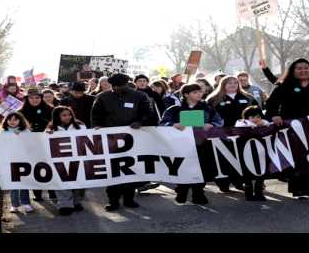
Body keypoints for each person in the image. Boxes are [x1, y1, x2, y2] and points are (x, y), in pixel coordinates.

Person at [265, 58, 309, 197]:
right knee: (296, 156)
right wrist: (274, 115)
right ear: (293, 71)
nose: (303, 71)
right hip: (292, 126)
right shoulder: (283, 85)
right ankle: (296, 188)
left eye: (306, 68)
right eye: (299, 68)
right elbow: (270, 104)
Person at [91, 73, 152, 211]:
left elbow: (148, 113)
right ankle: (113, 201)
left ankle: (129, 199)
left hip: (133, 139)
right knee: (113, 171)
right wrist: (97, 126)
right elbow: (95, 116)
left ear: (127, 84)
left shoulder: (139, 96)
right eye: (115, 86)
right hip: (111, 141)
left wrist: (140, 122)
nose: (118, 88)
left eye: (121, 86)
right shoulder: (102, 97)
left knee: (131, 170)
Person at [160, 83, 223, 204]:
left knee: (201, 168)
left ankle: (198, 193)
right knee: (182, 167)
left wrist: (211, 125)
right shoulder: (174, 109)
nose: (199, 94)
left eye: (200, 92)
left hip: (202, 144)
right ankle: (182, 191)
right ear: (186, 94)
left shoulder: (207, 108)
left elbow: (219, 121)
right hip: (181, 146)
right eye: (195, 92)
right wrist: (173, 124)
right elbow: (163, 123)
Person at [206, 76, 258, 192]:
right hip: (222, 135)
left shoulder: (248, 98)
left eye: (235, 83)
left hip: (244, 134)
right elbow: (206, 115)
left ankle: (240, 181)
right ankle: (223, 183)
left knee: (242, 157)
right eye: (229, 83)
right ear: (223, 85)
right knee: (223, 159)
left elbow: (257, 113)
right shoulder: (213, 99)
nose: (233, 85)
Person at [46, 106, 86, 215]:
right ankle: (65, 204)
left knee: (78, 181)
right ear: (57, 117)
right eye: (64, 115)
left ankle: (76, 202)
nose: (67, 117)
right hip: (61, 160)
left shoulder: (80, 126)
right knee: (62, 181)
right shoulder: (51, 129)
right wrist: (48, 135)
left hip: (77, 158)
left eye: (69, 114)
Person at [19, 88, 55, 202]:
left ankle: (52, 191)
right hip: (29, 144)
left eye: (37, 97)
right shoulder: (20, 112)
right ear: (27, 99)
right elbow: (14, 126)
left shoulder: (50, 109)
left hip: (48, 142)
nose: (34, 100)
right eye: (31, 98)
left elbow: (56, 123)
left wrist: (50, 128)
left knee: (50, 166)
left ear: (41, 98)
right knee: (35, 167)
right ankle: (37, 193)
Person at [1, 112, 34, 214]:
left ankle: (26, 203)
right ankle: (14, 205)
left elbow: (32, 144)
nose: (12, 122)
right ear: (6, 121)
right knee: (13, 184)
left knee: (24, 183)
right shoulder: (3, 132)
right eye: (10, 120)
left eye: (15, 119)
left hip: (23, 161)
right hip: (10, 162)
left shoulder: (26, 131)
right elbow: (0, 146)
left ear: (20, 121)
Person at [235, 106, 271, 201]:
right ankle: (248, 191)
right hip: (246, 152)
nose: (255, 119)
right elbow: (239, 127)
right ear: (247, 117)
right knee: (247, 172)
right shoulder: (241, 122)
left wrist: (262, 124)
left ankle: (259, 192)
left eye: (258, 117)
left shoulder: (263, 122)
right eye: (252, 117)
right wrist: (252, 126)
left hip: (260, 152)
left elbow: (269, 125)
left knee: (261, 171)